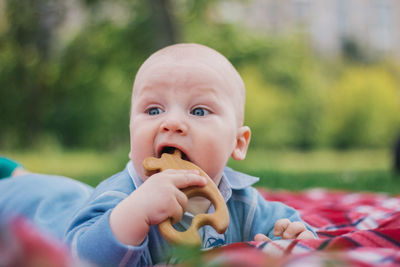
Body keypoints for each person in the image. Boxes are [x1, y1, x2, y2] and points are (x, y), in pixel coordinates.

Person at [0, 43, 316, 266]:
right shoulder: (119, 198)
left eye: (199, 110)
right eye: (153, 109)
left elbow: (295, 231)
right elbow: (77, 256)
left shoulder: (242, 203)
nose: (172, 122)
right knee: (27, 188)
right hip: (29, 206)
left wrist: (294, 235)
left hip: (62, 193)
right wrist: (134, 215)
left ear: (238, 143)